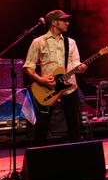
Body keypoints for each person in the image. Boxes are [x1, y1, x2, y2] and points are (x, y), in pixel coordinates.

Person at [23, 10, 87, 145]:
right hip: (48, 89)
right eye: (64, 20)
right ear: (53, 22)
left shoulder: (71, 43)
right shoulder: (38, 42)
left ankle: (77, 157)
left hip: (70, 88)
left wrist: (80, 67)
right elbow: (28, 66)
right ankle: (39, 158)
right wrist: (40, 80)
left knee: (75, 127)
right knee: (42, 127)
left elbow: (75, 62)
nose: (67, 23)